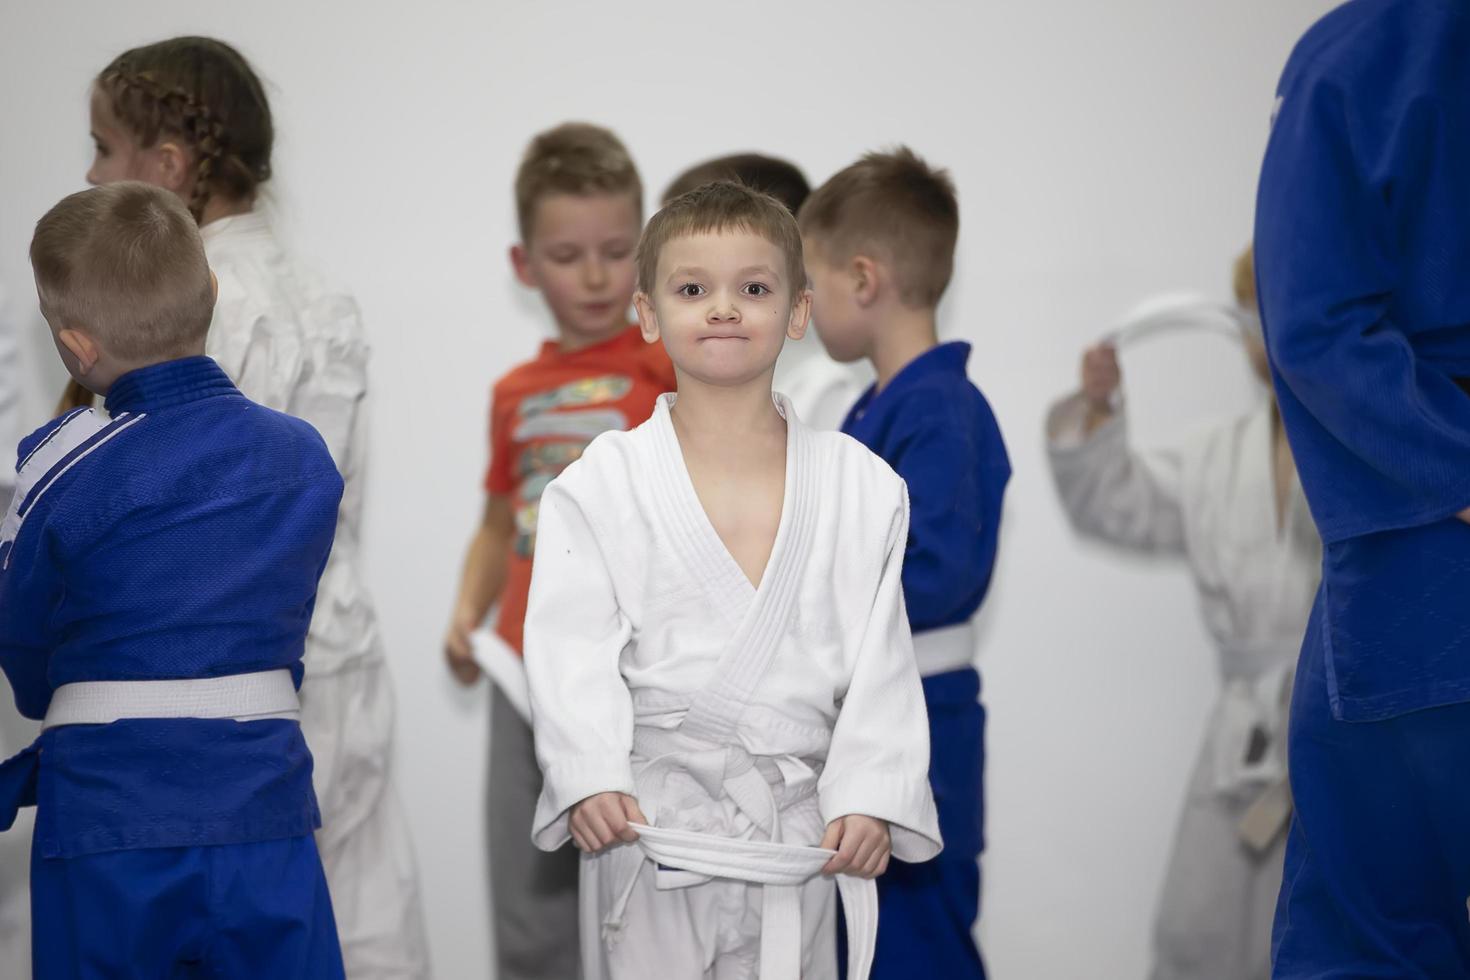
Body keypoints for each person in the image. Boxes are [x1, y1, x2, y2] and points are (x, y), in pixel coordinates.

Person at [524, 180, 941, 980]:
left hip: (797, 830)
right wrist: (587, 773)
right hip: (653, 826)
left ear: (797, 313)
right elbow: (568, 646)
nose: (723, 308)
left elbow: (882, 661)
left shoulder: (863, 486)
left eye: (753, 288)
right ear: (647, 314)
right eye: (692, 289)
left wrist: (869, 793)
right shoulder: (602, 481)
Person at [82, 36, 430, 976]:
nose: (88, 171)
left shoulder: (200, 305)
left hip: (243, 668)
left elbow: (185, 500)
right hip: (344, 638)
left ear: (167, 168)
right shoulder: (323, 293)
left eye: (104, 148)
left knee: (240, 918)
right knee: (359, 898)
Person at [0, 181, 345, 978]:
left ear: (77, 348)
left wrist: (46, 701)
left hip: (108, 814)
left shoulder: (60, 461)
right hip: (264, 802)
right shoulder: (302, 457)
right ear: (211, 293)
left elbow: (21, 632)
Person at [1254, 1, 1470, 975]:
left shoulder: (1371, 53)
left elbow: (1316, 319)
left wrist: (1447, 461)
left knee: (1370, 936)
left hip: (1426, 558)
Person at [1046, 247, 1319, 980]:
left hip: (1347, 717)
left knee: (1340, 925)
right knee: (1203, 929)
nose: (1264, 337)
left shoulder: (1367, 445)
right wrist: (1100, 411)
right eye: (1251, 319)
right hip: (1246, 732)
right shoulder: (1214, 455)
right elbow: (1117, 503)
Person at [441, 121, 674, 980]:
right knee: (532, 882)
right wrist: (467, 616)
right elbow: (502, 519)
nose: (595, 275)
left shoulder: (669, 364)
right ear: (524, 264)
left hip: (633, 662)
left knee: (648, 878)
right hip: (523, 665)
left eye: (617, 250)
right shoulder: (515, 392)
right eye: (568, 254)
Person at [799, 147, 1009, 980]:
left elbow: (940, 573)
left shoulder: (944, 411)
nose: (803, 307)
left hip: (926, 717)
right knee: (865, 936)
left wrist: (815, 600)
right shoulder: (875, 406)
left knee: (916, 938)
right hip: (878, 712)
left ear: (862, 278)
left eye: (808, 283)